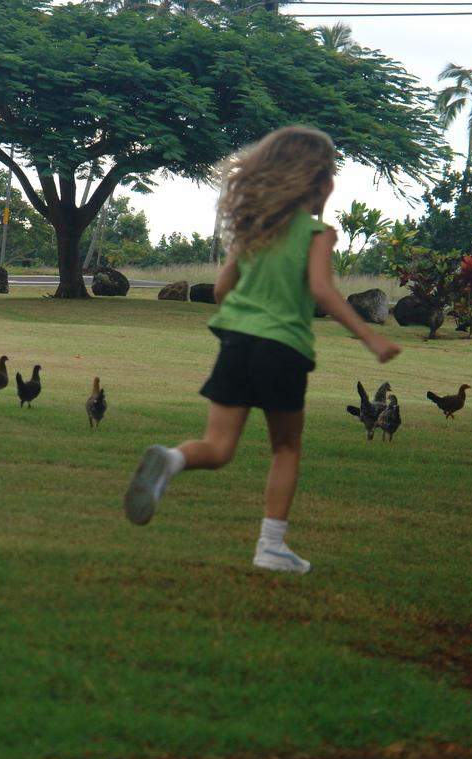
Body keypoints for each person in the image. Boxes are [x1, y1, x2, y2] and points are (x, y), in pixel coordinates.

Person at [124, 126, 401, 573]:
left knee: (217, 447)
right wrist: (370, 336)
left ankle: (172, 459)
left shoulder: (255, 230)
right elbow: (323, 292)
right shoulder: (317, 233)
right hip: (282, 351)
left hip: (235, 344)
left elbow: (220, 290)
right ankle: (271, 546)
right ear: (317, 181)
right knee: (286, 449)